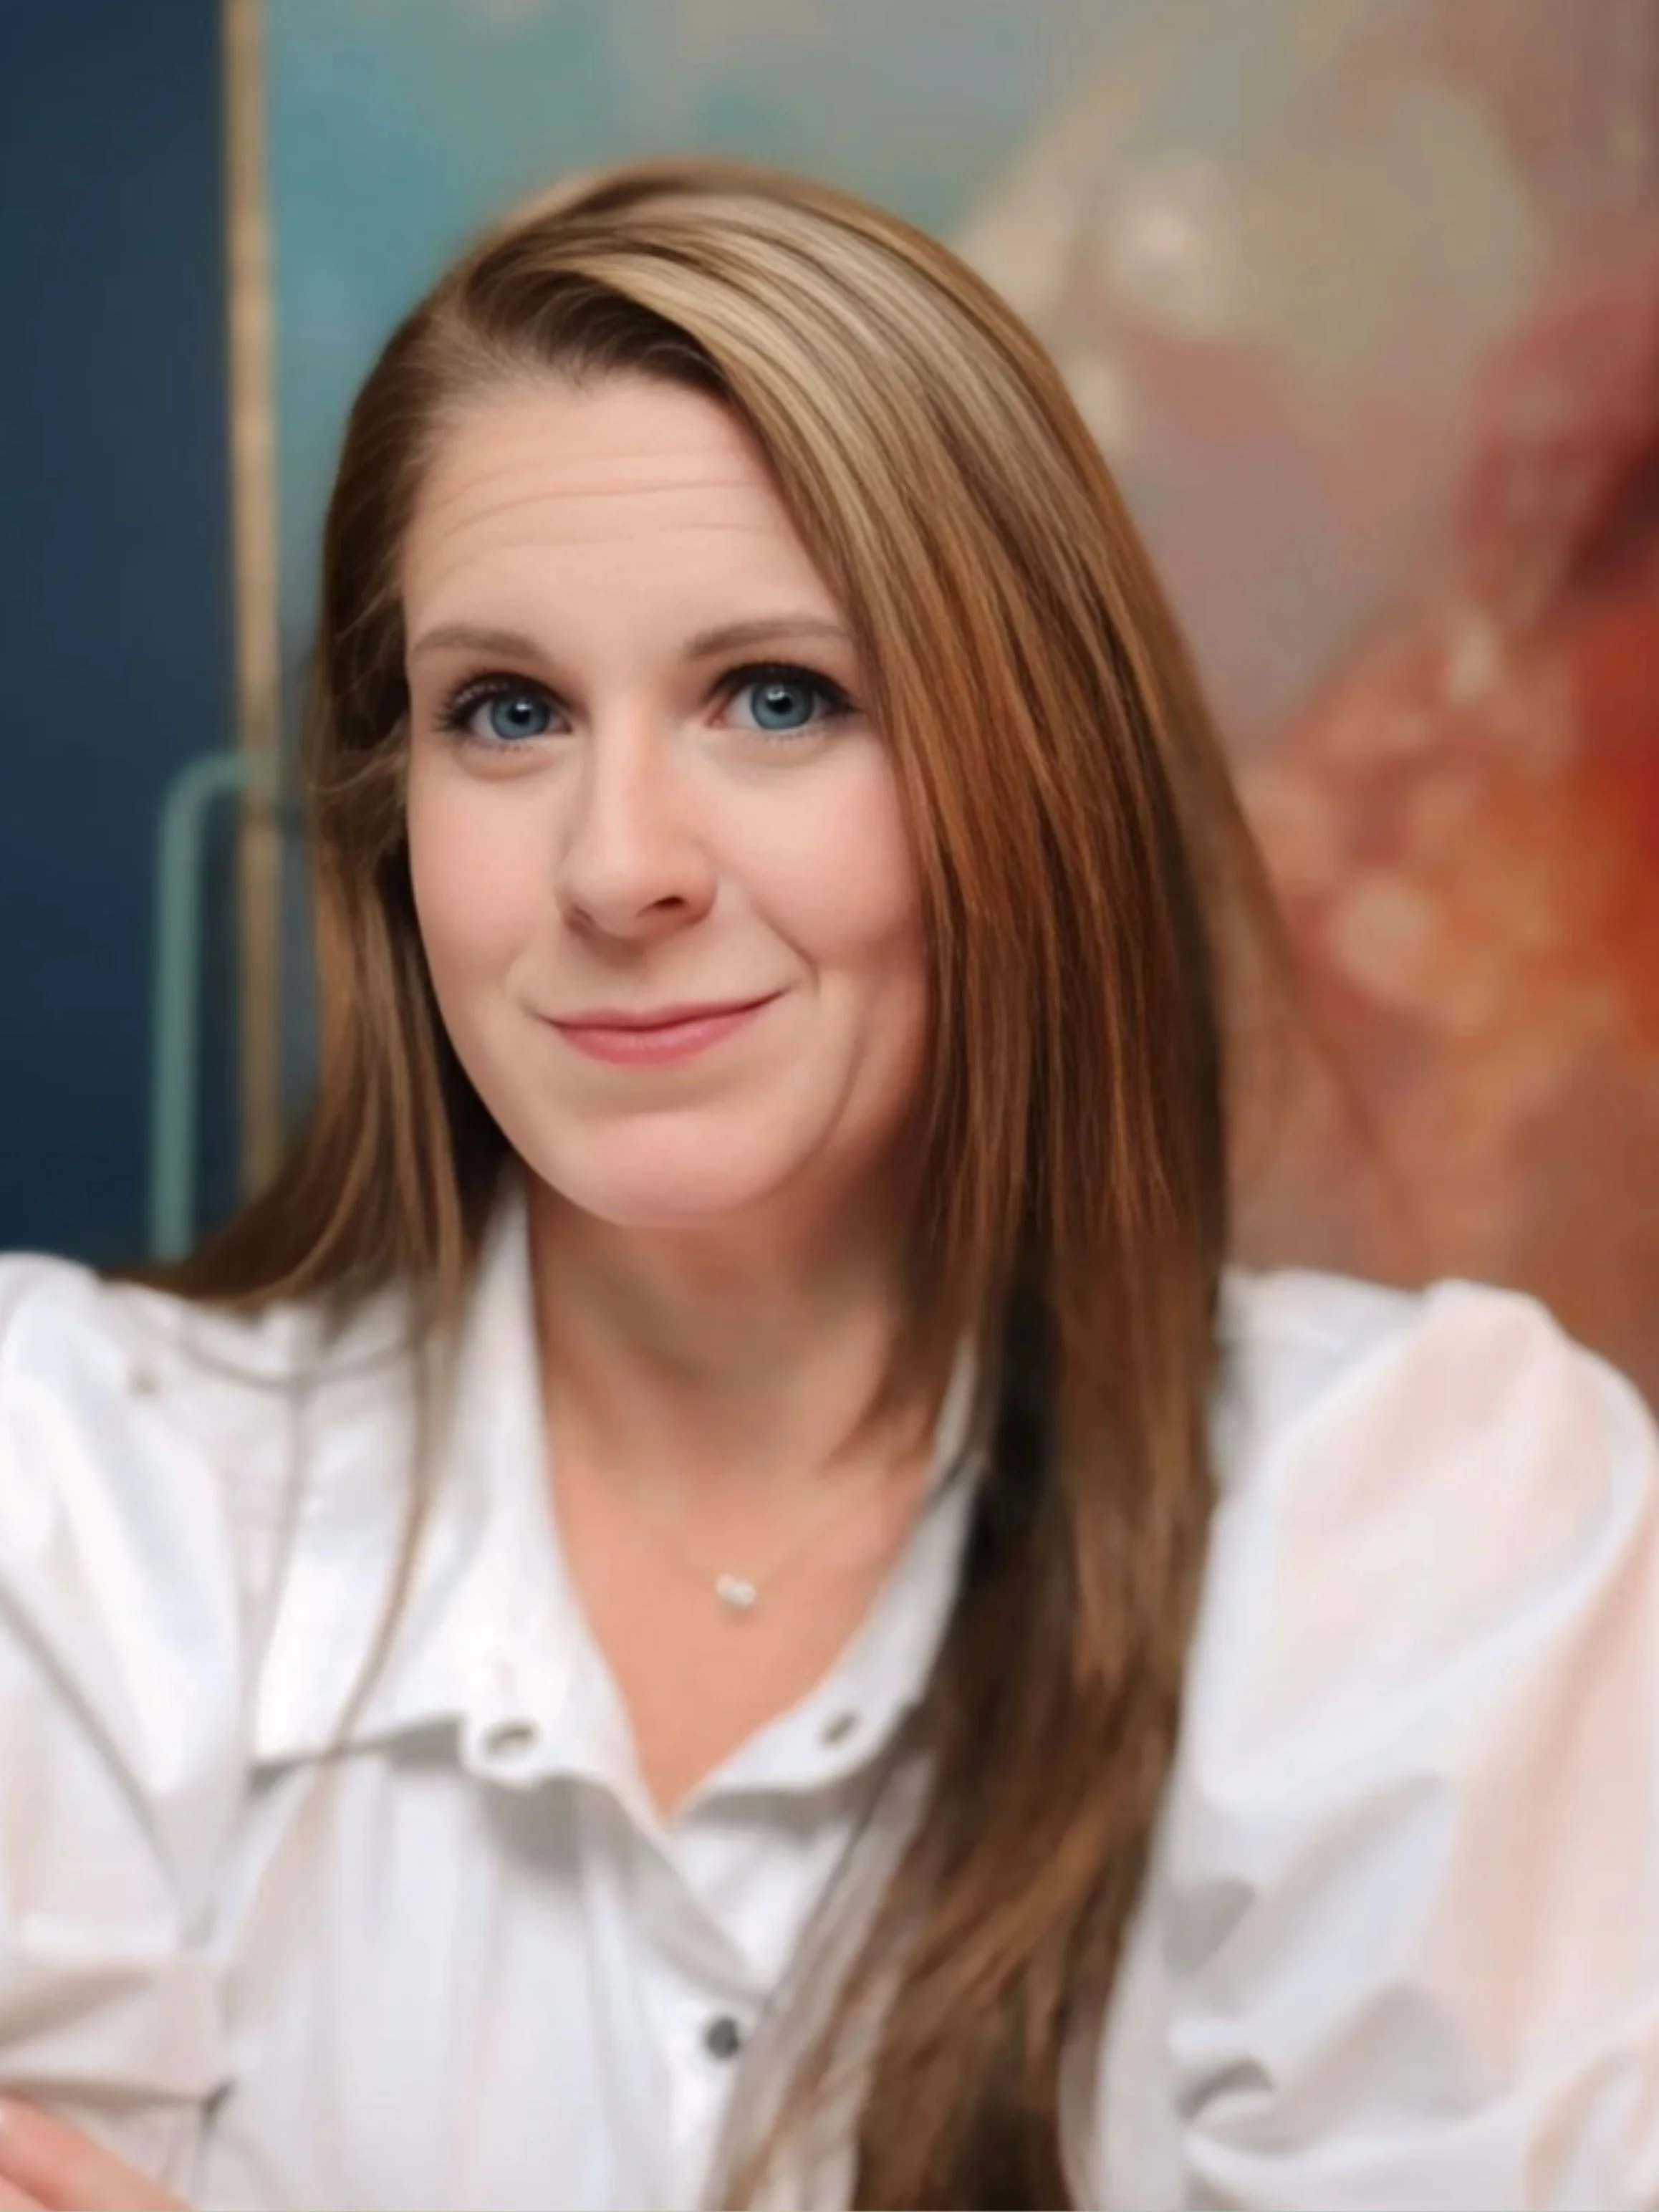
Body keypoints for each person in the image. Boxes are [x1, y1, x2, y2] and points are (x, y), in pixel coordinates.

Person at [1, 158, 1657, 2212]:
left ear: (1027, 774)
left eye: (775, 697)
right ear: (391, 804)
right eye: (502, 714)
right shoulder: (65, 1503)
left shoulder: (1429, 1520)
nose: (618, 869)